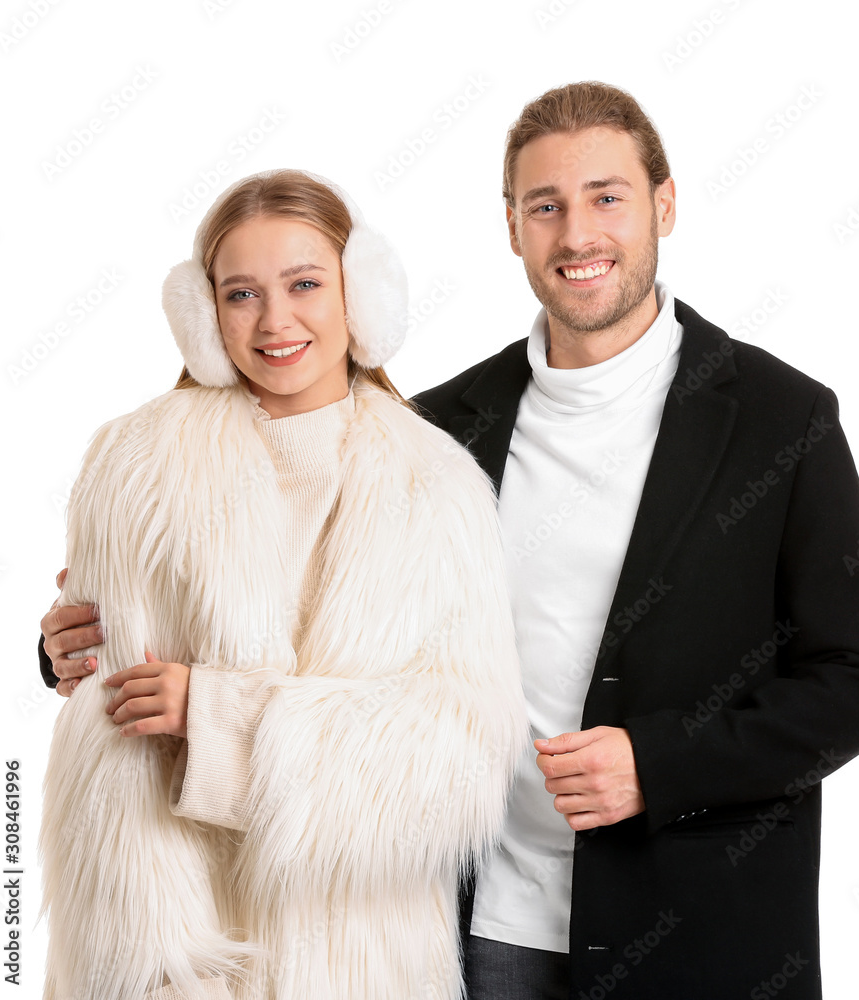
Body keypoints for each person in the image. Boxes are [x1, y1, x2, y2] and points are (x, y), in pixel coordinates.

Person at [41, 85, 859, 999]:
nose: (576, 235)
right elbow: (276, 581)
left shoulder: (781, 420)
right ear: (511, 228)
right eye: (545, 206)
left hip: (692, 925)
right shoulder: (446, 426)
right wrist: (73, 638)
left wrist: (662, 764)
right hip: (470, 925)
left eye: (605, 197)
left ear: (664, 203)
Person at [37, 168, 526, 1000]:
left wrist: (219, 716)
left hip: (365, 959)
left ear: (360, 295)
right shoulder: (138, 470)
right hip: (184, 952)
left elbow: (461, 756)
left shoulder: (438, 486)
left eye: (304, 283)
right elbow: (108, 747)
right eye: (240, 294)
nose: (275, 321)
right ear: (202, 316)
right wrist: (166, 973)